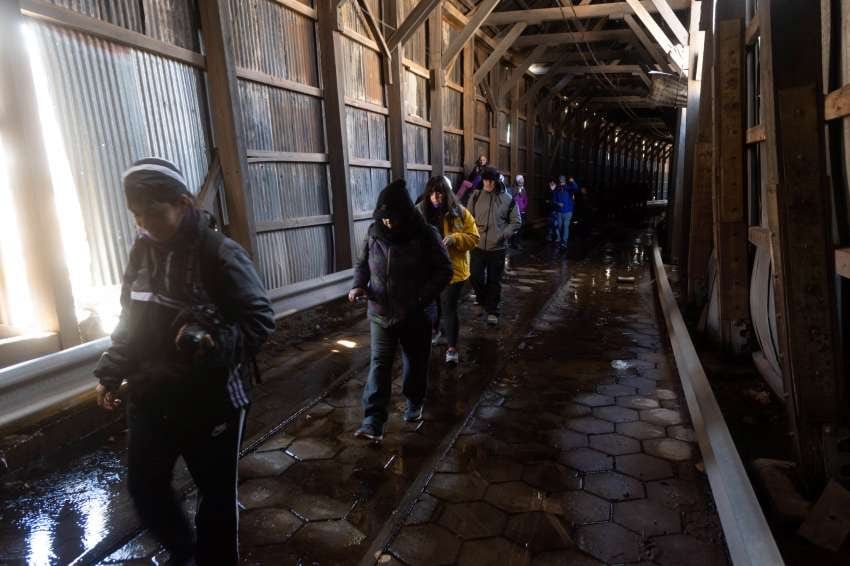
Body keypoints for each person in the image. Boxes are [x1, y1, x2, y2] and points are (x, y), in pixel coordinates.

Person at [94, 158, 275, 565]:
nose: (143, 223)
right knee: (144, 486)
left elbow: (260, 320)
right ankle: (183, 552)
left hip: (211, 401)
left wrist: (214, 344)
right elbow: (131, 317)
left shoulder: (219, 253)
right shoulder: (141, 251)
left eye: (153, 214)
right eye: (136, 215)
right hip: (150, 393)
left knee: (215, 497)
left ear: (182, 202)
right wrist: (112, 368)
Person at [349, 179, 452, 441]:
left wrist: (421, 300)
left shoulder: (426, 234)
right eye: (383, 218)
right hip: (381, 312)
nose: (387, 223)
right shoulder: (373, 232)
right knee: (379, 365)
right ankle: (373, 421)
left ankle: (414, 401)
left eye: (391, 218)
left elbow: (445, 270)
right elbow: (362, 264)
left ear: (405, 214)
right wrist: (358, 286)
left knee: (415, 364)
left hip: (415, 315)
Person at [416, 176, 479, 365]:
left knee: (449, 308)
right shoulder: (419, 212)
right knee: (433, 305)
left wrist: (455, 239)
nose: (436, 196)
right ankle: (437, 332)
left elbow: (474, 238)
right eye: (432, 192)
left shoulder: (460, 212)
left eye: (440, 192)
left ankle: (452, 348)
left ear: (447, 193)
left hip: (453, 270)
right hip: (428, 271)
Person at [468, 166, 522, 326]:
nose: (488, 183)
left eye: (491, 180)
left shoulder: (507, 199)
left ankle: (492, 311)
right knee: (475, 276)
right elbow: (468, 217)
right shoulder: (476, 196)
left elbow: (516, 221)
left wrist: (502, 235)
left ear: (497, 181)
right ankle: (482, 299)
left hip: (497, 248)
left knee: (494, 280)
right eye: (485, 180)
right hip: (477, 245)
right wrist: (473, 232)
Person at [552, 175, 580, 248]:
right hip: (559, 211)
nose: (561, 181)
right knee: (560, 226)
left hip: (568, 211)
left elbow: (576, 188)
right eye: (560, 180)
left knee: (565, 226)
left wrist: (573, 181)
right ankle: (560, 239)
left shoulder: (568, 188)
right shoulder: (557, 189)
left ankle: (564, 242)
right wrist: (558, 203)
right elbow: (554, 200)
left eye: (563, 180)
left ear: (564, 180)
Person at [511, 175, 529, 249]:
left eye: (522, 180)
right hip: (515, 212)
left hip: (522, 212)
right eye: (520, 181)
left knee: (521, 227)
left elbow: (525, 200)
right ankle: (514, 243)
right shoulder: (513, 189)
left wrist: (523, 207)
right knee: (515, 228)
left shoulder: (523, 189)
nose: (522, 182)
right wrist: (517, 192)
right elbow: (512, 199)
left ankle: (518, 242)